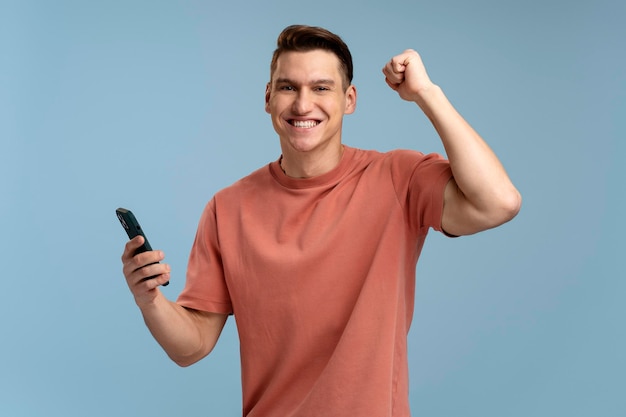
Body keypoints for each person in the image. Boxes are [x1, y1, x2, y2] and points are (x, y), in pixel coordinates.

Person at [121, 24, 521, 417]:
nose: (302, 104)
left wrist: (426, 94)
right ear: (268, 98)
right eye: (288, 86)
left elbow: (498, 202)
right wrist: (150, 299)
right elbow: (190, 347)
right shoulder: (227, 209)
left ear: (349, 99)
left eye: (321, 88)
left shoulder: (399, 178)